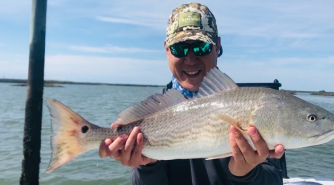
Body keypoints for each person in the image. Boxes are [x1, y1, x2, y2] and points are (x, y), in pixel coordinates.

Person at [99, 2, 285, 185]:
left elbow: (274, 179)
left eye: (200, 47)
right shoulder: (153, 112)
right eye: (179, 48)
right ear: (166, 50)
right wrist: (147, 166)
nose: (190, 59)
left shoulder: (254, 104)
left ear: (217, 46)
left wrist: (245, 174)